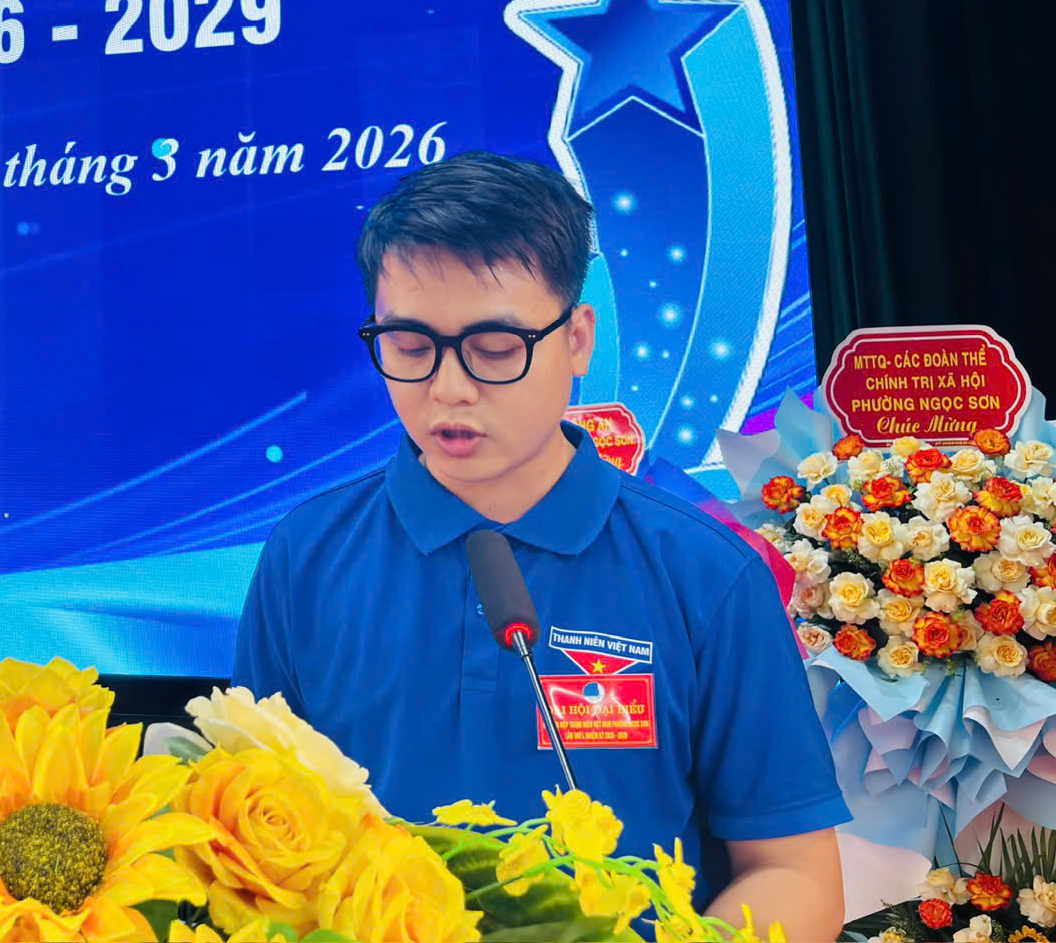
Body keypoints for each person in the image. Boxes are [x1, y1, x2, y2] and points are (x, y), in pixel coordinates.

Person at [233, 151, 846, 940]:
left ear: (577, 338)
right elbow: (254, 848)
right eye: (410, 346)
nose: (449, 388)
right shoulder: (306, 556)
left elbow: (793, 873)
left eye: (494, 347)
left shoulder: (706, 572)